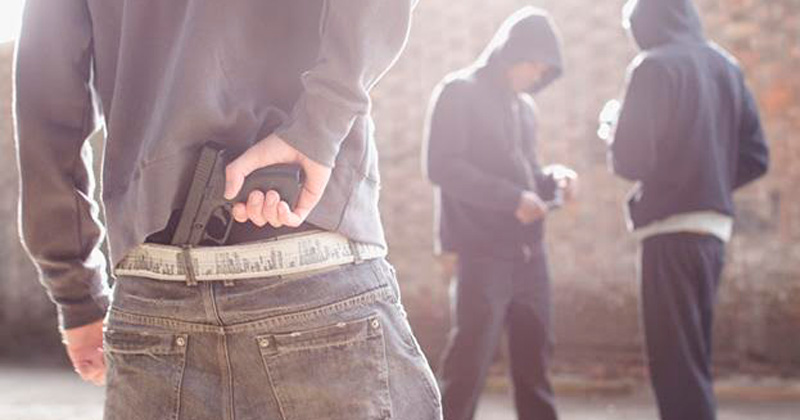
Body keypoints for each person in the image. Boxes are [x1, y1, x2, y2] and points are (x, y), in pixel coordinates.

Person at [14, 1, 443, 419]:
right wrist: (316, 129)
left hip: (155, 297)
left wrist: (78, 296)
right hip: (313, 269)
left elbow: (45, 103)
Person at [602, 0, 769, 419]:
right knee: (693, 359)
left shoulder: (652, 66)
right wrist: (708, 180)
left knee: (675, 365)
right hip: (713, 231)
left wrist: (614, 131)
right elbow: (756, 156)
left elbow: (631, 161)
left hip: (668, 229)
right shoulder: (727, 67)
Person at [423, 7, 577, 420]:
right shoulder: (458, 91)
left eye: (544, 71)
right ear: (513, 51)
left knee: (535, 366)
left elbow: (528, 174)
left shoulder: (525, 108)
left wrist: (555, 180)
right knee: (468, 365)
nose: (537, 76)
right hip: (482, 253)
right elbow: (442, 166)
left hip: (531, 257)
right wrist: (512, 199)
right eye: (534, 65)